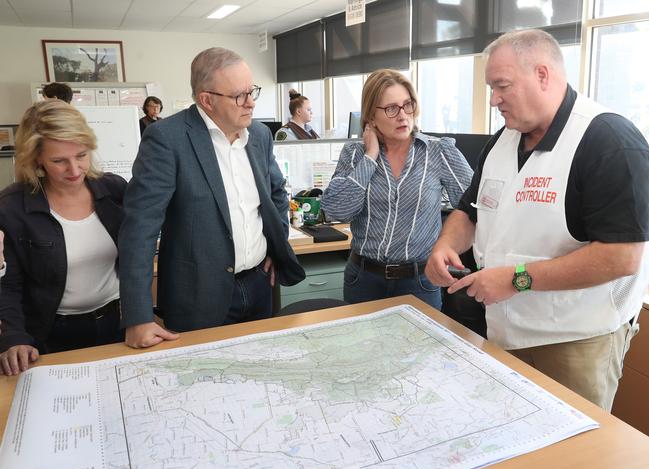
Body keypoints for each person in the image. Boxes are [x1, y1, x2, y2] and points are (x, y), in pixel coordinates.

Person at [425, 29, 649, 411]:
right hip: (504, 330)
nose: (494, 99)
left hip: (574, 341)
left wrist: (516, 279)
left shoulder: (607, 140)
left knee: (570, 460)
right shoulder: (502, 142)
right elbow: (469, 211)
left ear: (543, 75)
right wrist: (446, 244)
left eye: (502, 86)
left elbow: (621, 257)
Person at [119, 47, 305, 349]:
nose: (251, 102)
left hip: (259, 283)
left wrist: (276, 244)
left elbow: (275, 193)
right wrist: (138, 317)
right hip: (198, 295)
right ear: (207, 100)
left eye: (252, 91)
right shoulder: (167, 139)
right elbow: (138, 231)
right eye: (239, 96)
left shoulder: (258, 135)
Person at [321, 69, 473, 310]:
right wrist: (370, 157)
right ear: (371, 115)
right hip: (363, 278)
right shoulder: (354, 154)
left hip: (419, 280)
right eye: (391, 109)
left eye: (408, 105)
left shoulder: (439, 151)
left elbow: (473, 208)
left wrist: (446, 244)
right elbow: (337, 210)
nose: (403, 116)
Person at [0, 100, 127, 375]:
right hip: (51, 334)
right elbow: (7, 284)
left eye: (81, 155)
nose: (74, 170)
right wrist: (14, 337)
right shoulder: (11, 208)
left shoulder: (114, 190)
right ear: (36, 160)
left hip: (115, 322)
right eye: (59, 161)